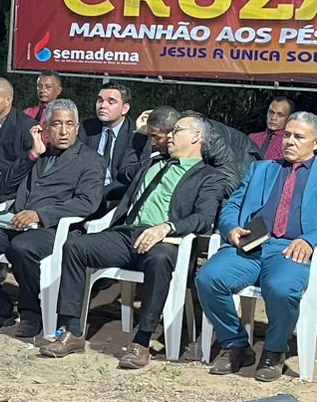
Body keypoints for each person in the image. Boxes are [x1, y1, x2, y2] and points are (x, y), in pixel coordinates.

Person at [43, 111, 228, 366]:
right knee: (75, 245)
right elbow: (124, 172)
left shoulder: (209, 176)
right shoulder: (152, 163)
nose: (170, 135)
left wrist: (166, 227)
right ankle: (72, 331)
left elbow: (204, 218)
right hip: (126, 235)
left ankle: (141, 342)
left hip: (165, 242)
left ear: (196, 136)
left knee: (159, 259)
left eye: (177, 131)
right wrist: (140, 134)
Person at [197, 112, 317, 382]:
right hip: (251, 246)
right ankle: (235, 344)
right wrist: (231, 227)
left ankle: (274, 351)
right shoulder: (261, 169)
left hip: (292, 249)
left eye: (299, 137)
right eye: (287, 135)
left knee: (281, 288)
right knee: (208, 279)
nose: (289, 141)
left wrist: (310, 239)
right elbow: (233, 205)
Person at [0, 100, 105, 336]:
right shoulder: (37, 152)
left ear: (77, 127)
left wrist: (40, 214)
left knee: (22, 247)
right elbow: (5, 186)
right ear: (45, 128)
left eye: (69, 124)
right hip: (14, 220)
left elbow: (87, 202)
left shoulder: (91, 160)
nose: (64, 131)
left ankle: (31, 313)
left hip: (53, 227)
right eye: (57, 124)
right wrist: (32, 155)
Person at [79, 82, 146, 201]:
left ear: (125, 109)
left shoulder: (134, 135)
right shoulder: (85, 128)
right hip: (83, 191)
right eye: (100, 100)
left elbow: (128, 176)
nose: (102, 106)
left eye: (111, 102)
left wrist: (100, 195)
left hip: (115, 197)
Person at [248, 96, 293, 161]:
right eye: (271, 112)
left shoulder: (289, 142)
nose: (273, 118)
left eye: (280, 115)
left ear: (289, 118)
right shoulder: (252, 138)